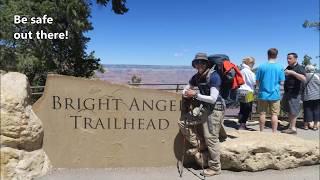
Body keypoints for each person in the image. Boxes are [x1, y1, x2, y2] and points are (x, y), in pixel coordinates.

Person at [178, 52, 225, 177]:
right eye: (197, 63)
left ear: (207, 64)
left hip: (215, 109)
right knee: (183, 122)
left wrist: (195, 95)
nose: (199, 65)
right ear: (194, 65)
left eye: (202, 62)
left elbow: (213, 98)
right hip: (204, 107)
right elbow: (187, 87)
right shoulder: (197, 76)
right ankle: (199, 143)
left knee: (211, 138)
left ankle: (215, 167)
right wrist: (185, 93)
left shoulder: (214, 76)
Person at [256, 48, 285, 132]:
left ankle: (261, 132)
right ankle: (274, 133)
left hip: (262, 93)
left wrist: (261, 86)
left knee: (262, 113)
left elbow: (257, 81)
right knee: (274, 115)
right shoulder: (280, 67)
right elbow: (282, 81)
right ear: (276, 55)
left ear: (267, 55)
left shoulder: (261, 66)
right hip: (275, 94)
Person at [281, 53, 306, 134]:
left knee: (293, 111)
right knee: (289, 110)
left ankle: (293, 128)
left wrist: (293, 73)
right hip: (288, 92)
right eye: (287, 58)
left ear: (295, 59)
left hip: (295, 93)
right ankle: (291, 126)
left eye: (290, 58)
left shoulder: (300, 68)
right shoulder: (288, 67)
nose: (288, 60)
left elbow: (304, 79)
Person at [237, 57, 256, 130]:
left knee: (242, 108)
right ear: (250, 63)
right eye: (253, 63)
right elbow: (254, 82)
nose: (254, 64)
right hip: (248, 92)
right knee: (247, 109)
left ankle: (241, 123)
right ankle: (242, 125)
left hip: (240, 91)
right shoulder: (249, 71)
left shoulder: (242, 70)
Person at [302, 65, 320, 130]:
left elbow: (302, 86)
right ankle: (315, 126)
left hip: (307, 96)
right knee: (317, 110)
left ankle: (306, 126)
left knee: (307, 110)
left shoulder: (304, 76)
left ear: (306, 69)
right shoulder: (318, 75)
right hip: (317, 96)